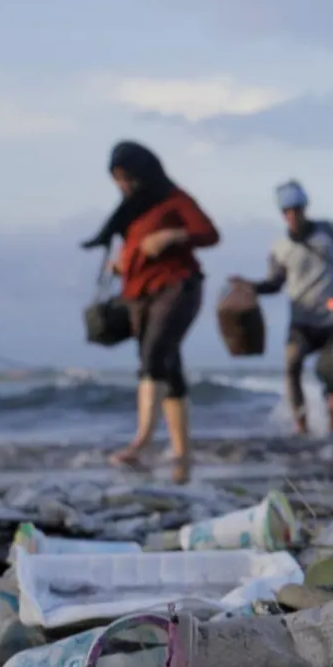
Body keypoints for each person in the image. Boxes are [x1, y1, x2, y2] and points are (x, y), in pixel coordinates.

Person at [83, 141, 218, 484]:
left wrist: (173, 235)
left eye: (126, 178)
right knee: (169, 368)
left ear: (142, 173)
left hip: (177, 287)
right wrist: (122, 264)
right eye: (117, 180)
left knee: (154, 354)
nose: (122, 186)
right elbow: (134, 249)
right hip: (140, 295)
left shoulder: (175, 200)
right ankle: (181, 453)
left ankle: (140, 442)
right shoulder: (132, 210)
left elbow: (209, 233)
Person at [234, 180, 333, 436]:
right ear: (282, 214)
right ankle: (302, 429)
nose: (293, 216)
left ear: (304, 208)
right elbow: (275, 283)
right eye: (287, 211)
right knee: (292, 365)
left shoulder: (331, 231)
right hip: (302, 321)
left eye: (297, 209)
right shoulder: (280, 248)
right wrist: (251, 287)